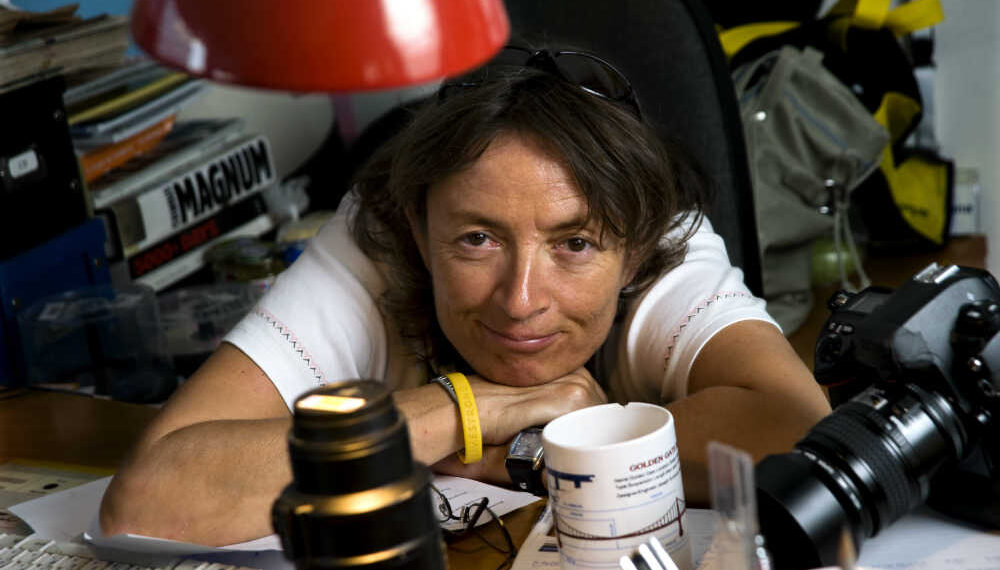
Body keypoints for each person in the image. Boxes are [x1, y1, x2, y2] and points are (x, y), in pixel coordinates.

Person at [99, 48, 832, 547]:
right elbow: (149, 499)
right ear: (419, 232)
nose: (521, 301)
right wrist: (468, 410)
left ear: (635, 250)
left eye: (574, 245)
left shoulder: (665, 238)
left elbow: (801, 435)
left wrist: (532, 451)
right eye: (477, 239)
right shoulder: (374, 236)